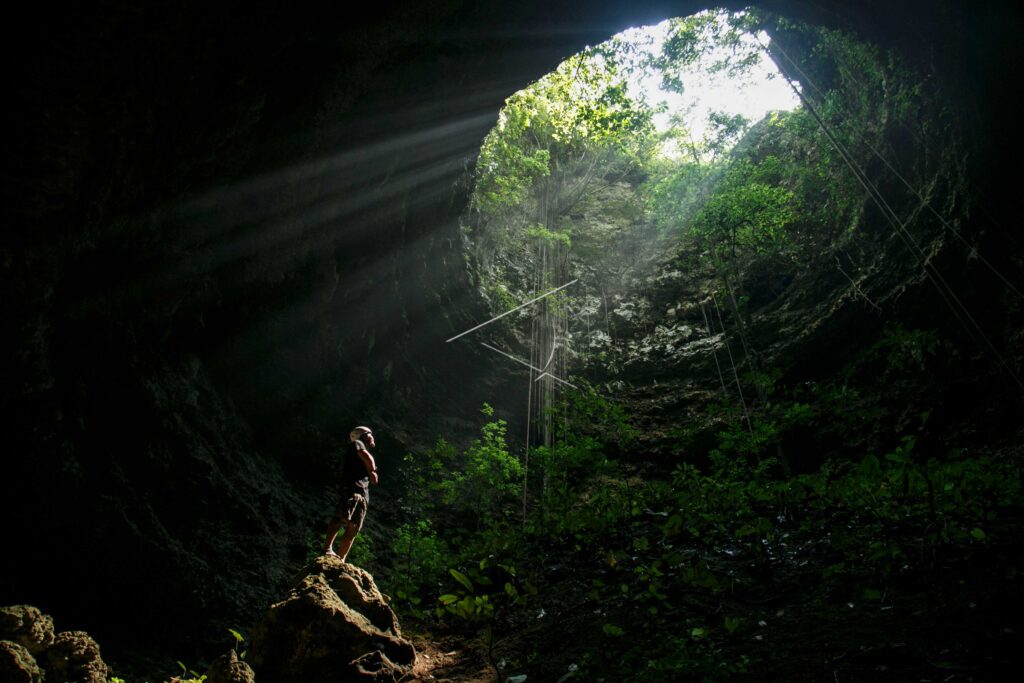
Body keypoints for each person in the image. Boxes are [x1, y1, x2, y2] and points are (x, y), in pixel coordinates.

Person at [324, 425, 378, 561]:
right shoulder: (357, 443)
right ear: (363, 435)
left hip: (363, 492)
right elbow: (369, 463)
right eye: (370, 434)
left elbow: (373, 479)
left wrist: (371, 472)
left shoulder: (360, 448)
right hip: (352, 488)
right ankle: (327, 549)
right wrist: (372, 469)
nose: (372, 436)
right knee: (341, 516)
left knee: (354, 526)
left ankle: (341, 559)